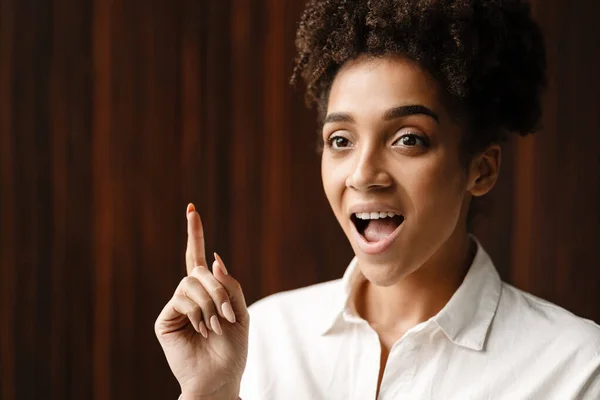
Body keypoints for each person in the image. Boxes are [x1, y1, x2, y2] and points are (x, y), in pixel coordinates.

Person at [155, 0, 600, 399]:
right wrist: (210, 392)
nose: (363, 174)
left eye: (408, 139)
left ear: (480, 169)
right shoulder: (264, 340)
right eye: (341, 139)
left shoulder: (577, 369)